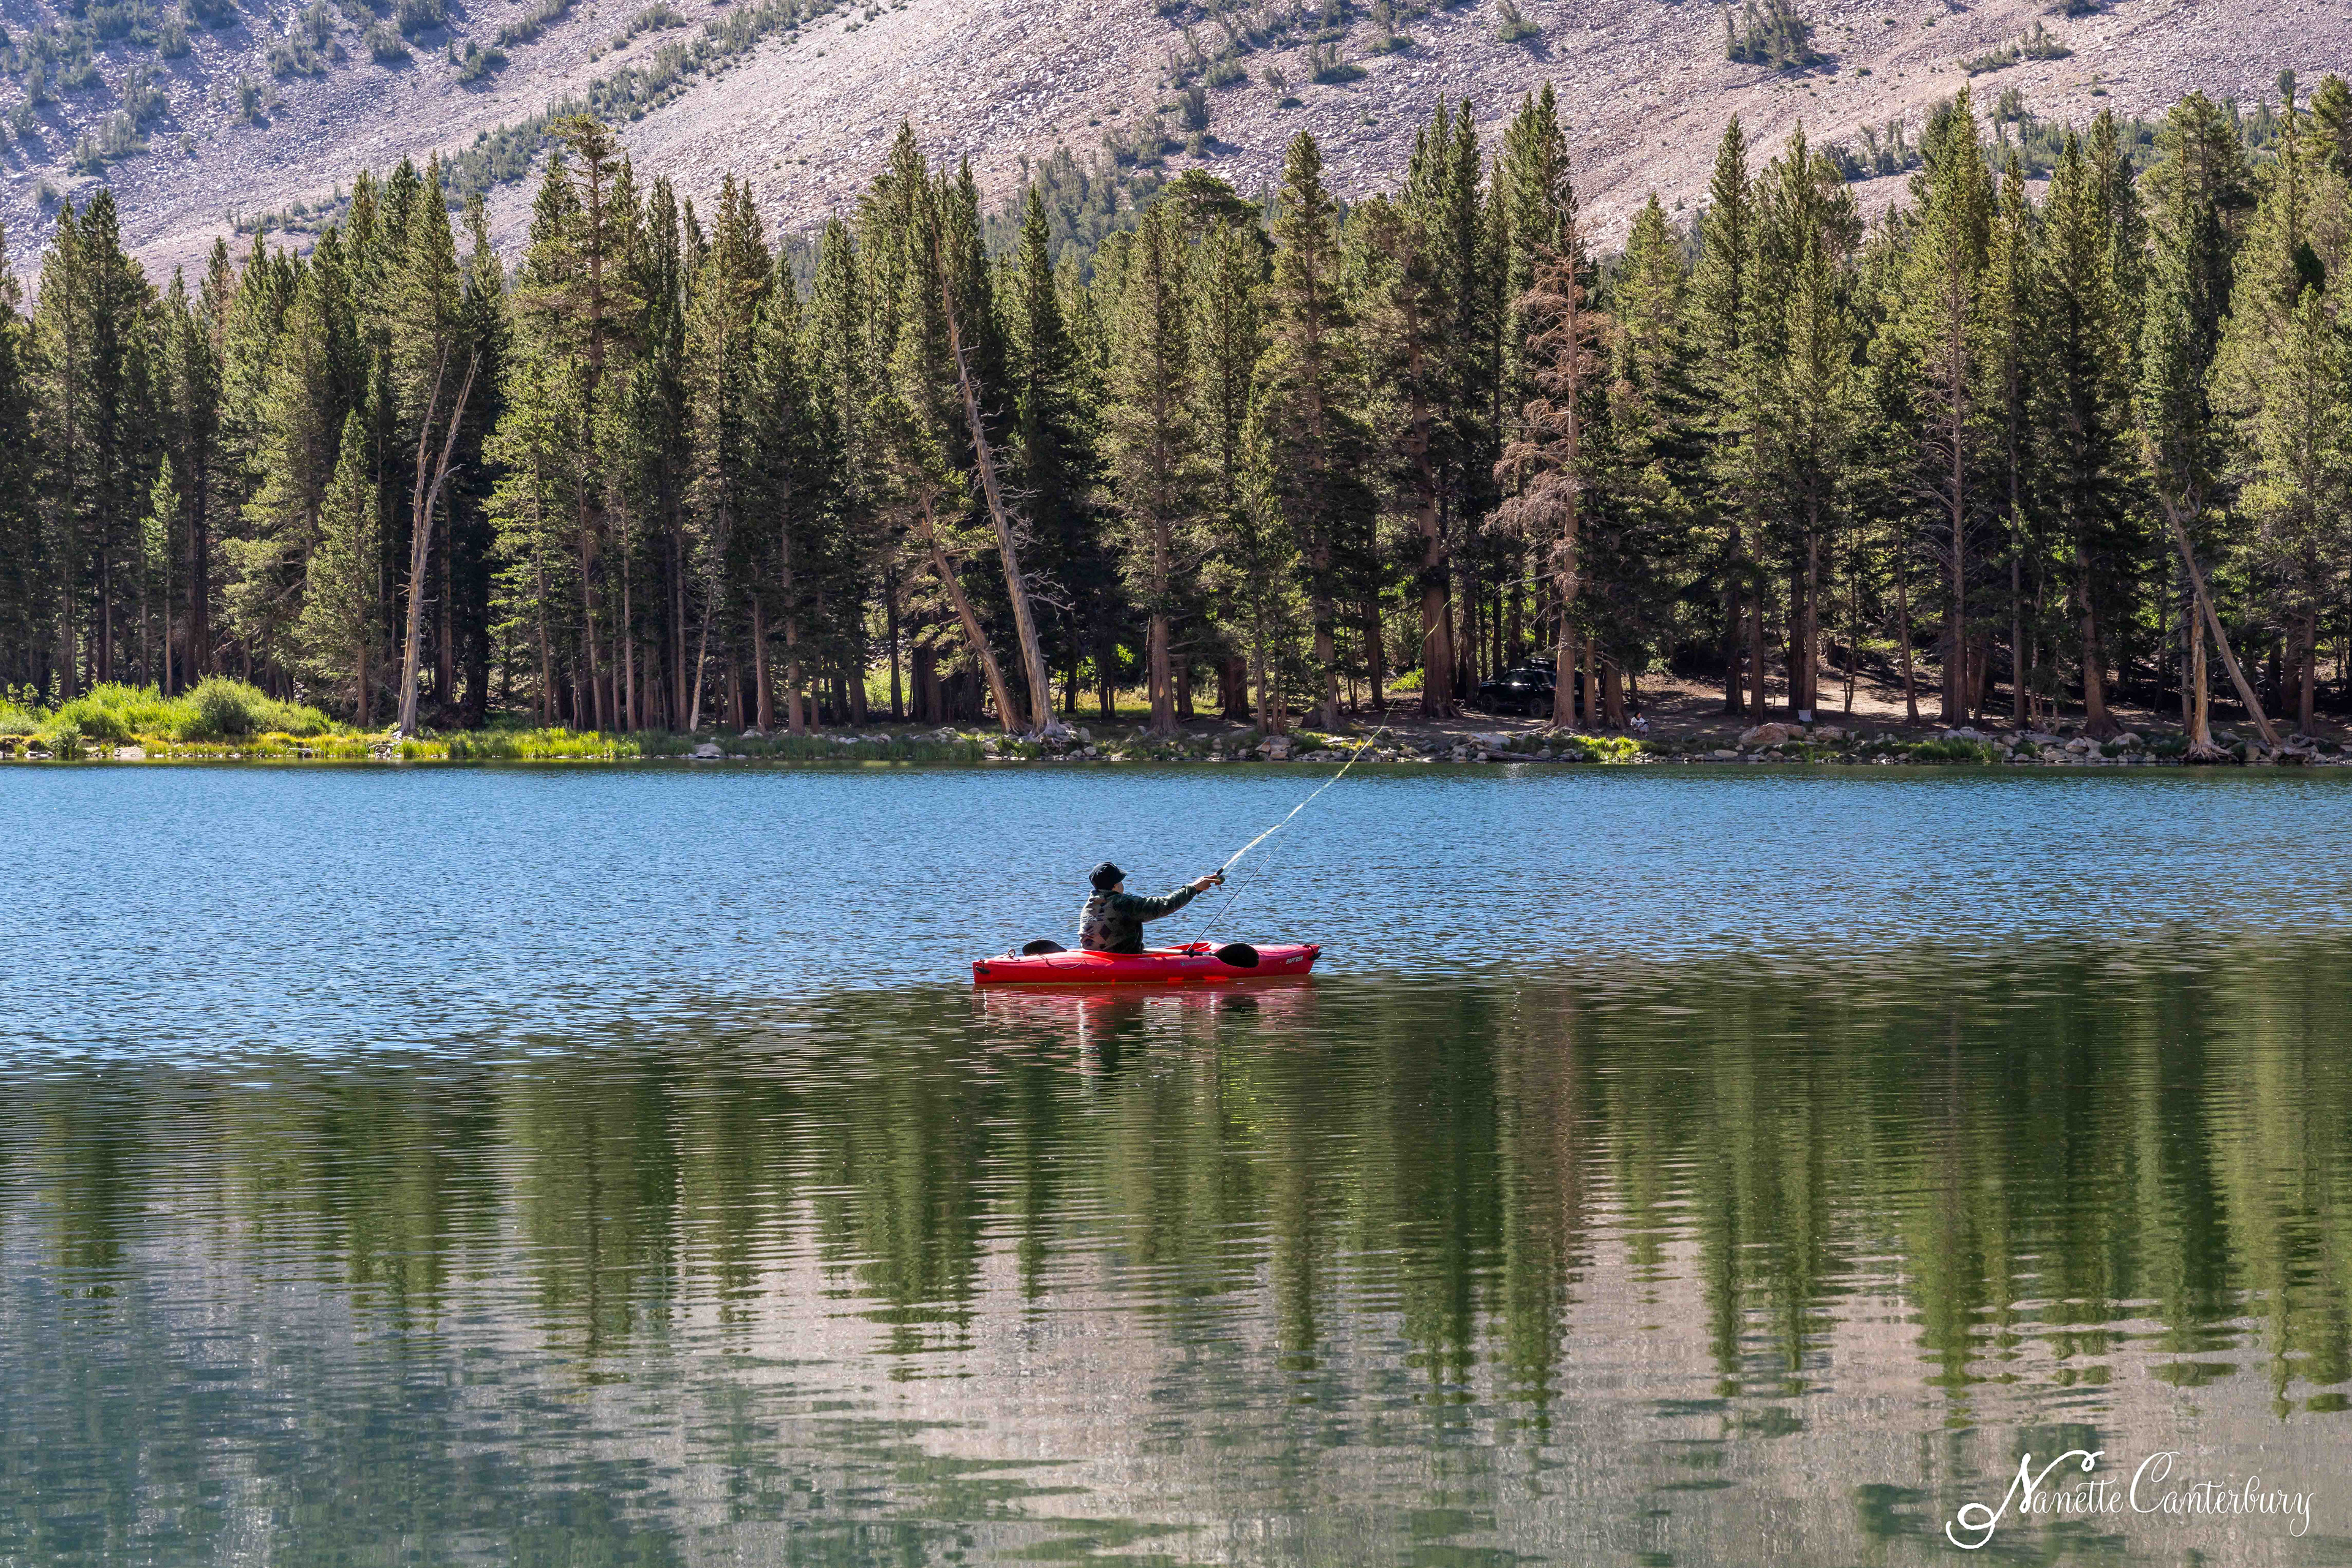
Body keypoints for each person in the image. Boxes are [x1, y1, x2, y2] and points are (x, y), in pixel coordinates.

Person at [1078, 862, 1224, 954]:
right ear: (1115, 886)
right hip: (1122, 960)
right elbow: (1165, 905)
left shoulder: (1090, 904)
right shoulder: (1124, 904)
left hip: (1094, 957)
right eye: (1121, 881)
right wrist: (1194, 888)